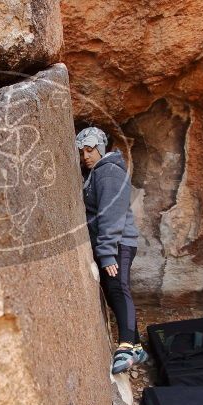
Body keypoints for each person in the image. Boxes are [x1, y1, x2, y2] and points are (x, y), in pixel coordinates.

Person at [76, 126, 147, 374]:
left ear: (100, 147)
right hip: (113, 242)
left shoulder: (107, 173)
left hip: (118, 243)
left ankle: (126, 347)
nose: (86, 156)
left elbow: (111, 215)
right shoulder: (97, 173)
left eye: (90, 150)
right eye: (81, 152)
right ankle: (137, 345)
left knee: (118, 287)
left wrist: (106, 253)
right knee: (113, 288)